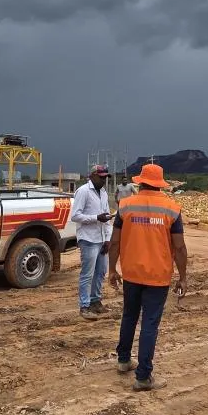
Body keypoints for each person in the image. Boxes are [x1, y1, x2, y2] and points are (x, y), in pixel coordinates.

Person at [109, 163, 188, 390]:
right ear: (160, 184)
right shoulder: (171, 209)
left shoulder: (126, 206)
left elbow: (114, 241)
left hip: (132, 273)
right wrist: (182, 276)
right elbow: (180, 248)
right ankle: (143, 377)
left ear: (140, 182)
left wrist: (112, 269)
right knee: (150, 323)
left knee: (129, 316)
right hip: (158, 275)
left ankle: (123, 360)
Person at [71, 165, 114, 320]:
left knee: (101, 272)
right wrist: (96, 217)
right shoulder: (83, 191)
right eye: (101, 177)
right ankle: (84, 306)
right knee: (87, 274)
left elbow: (107, 217)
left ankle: (96, 301)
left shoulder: (103, 192)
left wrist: (108, 239)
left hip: (101, 238)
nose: (104, 180)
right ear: (93, 176)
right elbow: (75, 216)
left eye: (105, 177)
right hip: (88, 239)